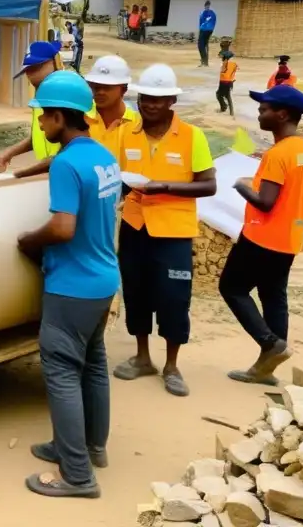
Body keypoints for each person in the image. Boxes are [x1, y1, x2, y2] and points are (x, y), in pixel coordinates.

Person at [17, 72, 120, 499]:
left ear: (61, 117)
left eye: (44, 117)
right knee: (93, 365)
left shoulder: (65, 164)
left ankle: (76, 475)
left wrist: (28, 241)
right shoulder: (102, 157)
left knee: (60, 373)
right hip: (103, 279)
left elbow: (62, 226)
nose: (40, 124)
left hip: (71, 286)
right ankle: (90, 447)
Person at [112, 64, 217, 397]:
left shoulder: (191, 137)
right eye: (145, 98)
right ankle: (143, 357)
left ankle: (172, 365)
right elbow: (118, 178)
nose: (150, 105)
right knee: (136, 292)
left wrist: (166, 187)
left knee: (173, 299)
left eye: (158, 99)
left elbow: (209, 185)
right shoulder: (125, 134)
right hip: (135, 225)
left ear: (172, 100)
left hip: (173, 231)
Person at [220, 84, 303, 386]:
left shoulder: (278, 154)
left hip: (262, 237)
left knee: (232, 287)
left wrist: (242, 186)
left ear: (282, 114)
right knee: (273, 296)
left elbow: (266, 202)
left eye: (264, 109)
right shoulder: (302, 151)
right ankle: (265, 368)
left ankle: (270, 343)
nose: (260, 113)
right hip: (289, 238)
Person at [0, 41, 64, 177]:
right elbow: (36, 137)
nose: (30, 75)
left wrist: (22, 174)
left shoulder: (66, 97)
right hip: (50, 173)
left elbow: (69, 149)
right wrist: (9, 154)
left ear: (54, 62)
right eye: (27, 70)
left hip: (64, 170)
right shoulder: (40, 99)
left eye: (36, 68)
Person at [84, 55, 138, 156]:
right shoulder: (80, 120)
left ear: (124, 89)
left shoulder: (137, 125)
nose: (100, 92)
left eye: (107, 87)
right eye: (96, 87)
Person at [217, 50, 238, 116]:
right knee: (226, 95)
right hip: (230, 82)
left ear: (225, 57)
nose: (221, 58)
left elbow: (223, 72)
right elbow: (234, 71)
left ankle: (225, 108)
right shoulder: (234, 64)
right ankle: (230, 111)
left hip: (224, 82)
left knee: (221, 95)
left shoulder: (225, 63)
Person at [198, 0, 216, 67]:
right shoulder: (213, 13)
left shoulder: (203, 13)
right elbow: (214, 22)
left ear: (205, 5)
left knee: (200, 45)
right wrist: (211, 30)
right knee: (205, 45)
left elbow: (201, 22)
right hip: (209, 31)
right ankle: (205, 62)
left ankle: (204, 61)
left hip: (204, 30)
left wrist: (201, 29)